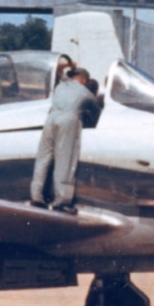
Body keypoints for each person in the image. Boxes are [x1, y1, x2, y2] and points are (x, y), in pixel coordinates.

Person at [30, 64, 102, 211]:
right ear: (83, 80)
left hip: (50, 119)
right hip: (68, 120)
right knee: (65, 160)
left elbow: (56, 68)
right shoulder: (86, 93)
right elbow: (97, 116)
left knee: (43, 158)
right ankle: (62, 201)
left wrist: (69, 64)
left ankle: (36, 196)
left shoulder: (61, 85)